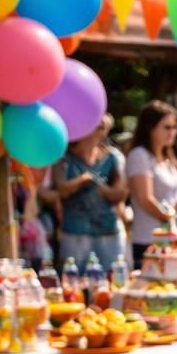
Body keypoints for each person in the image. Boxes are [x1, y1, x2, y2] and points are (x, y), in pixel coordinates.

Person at [127, 100, 177, 264]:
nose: (172, 132)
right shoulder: (140, 155)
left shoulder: (169, 157)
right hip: (152, 240)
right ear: (150, 127)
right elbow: (146, 200)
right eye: (166, 127)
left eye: (175, 127)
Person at [55, 113, 128, 269]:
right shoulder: (64, 157)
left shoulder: (114, 157)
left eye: (103, 128)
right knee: (75, 286)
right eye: (97, 126)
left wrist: (98, 185)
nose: (100, 132)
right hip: (75, 231)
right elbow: (61, 190)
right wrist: (83, 180)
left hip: (108, 230)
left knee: (111, 281)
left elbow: (120, 193)